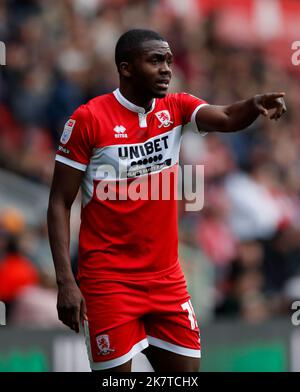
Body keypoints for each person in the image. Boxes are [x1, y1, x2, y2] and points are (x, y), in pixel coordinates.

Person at [47, 29, 286, 372]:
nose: (166, 69)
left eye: (169, 61)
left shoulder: (175, 108)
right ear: (126, 68)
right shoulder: (89, 119)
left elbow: (228, 117)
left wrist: (252, 104)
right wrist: (66, 282)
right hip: (109, 283)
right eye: (155, 60)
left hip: (166, 280)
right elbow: (58, 202)